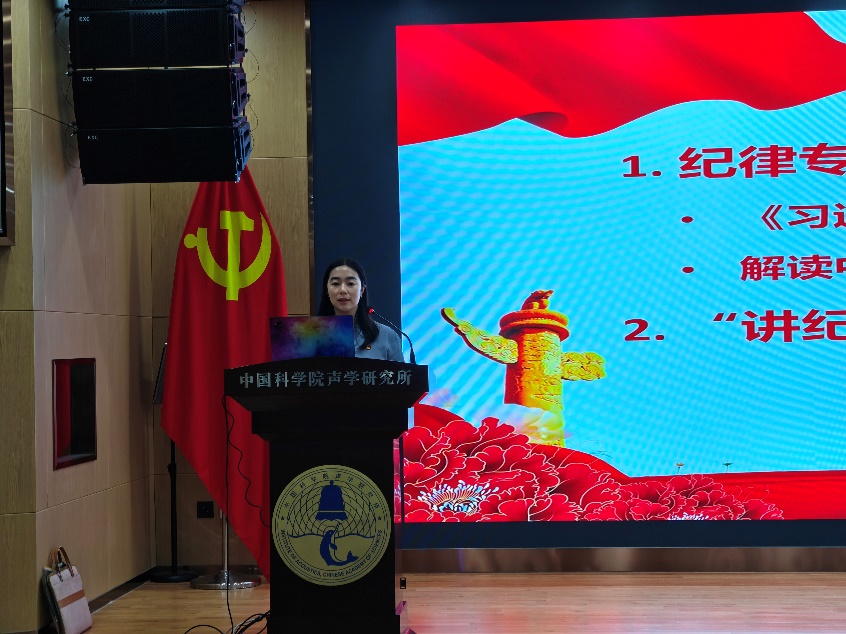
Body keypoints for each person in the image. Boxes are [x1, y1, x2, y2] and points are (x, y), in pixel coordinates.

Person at [317, 258, 404, 362]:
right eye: (336, 284)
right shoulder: (311, 335)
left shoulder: (387, 335)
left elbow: (401, 372)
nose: (343, 290)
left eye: (350, 283)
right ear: (327, 290)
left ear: (362, 289)